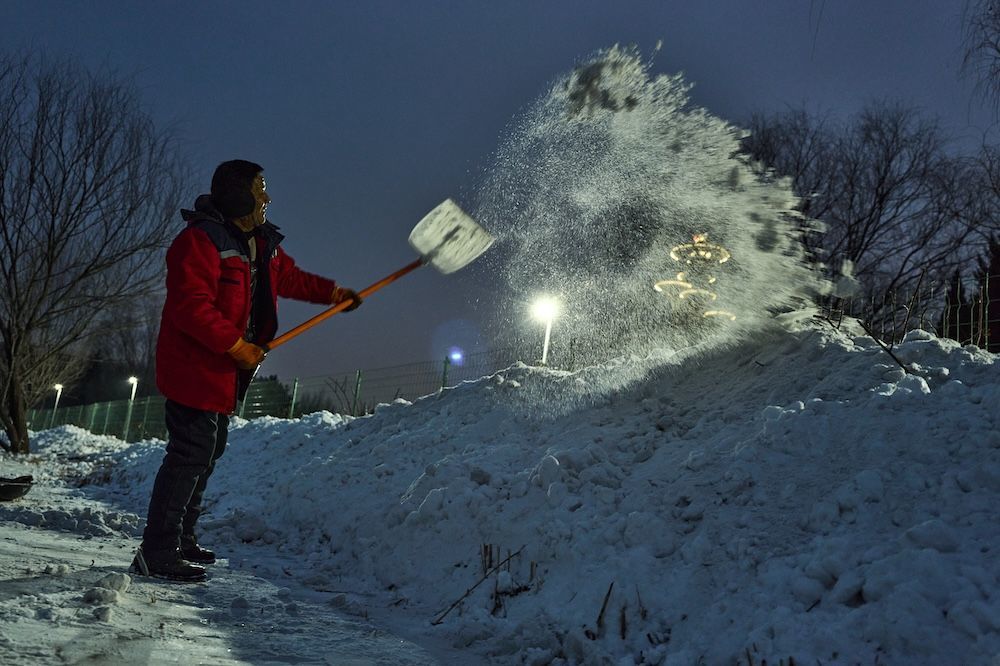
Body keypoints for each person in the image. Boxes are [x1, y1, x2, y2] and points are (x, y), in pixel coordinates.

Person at [131, 160, 361, 581]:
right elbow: (190, 306)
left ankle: (181, 537)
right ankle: (156, 550)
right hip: (195, 367)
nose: (267, 199)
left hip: (224, 372)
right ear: (238, 195)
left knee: (208, 451)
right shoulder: (199, 241)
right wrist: (235, 344)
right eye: (260, 189)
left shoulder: (261, 244)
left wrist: (333, 293)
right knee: (189, 454)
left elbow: (289, 278)